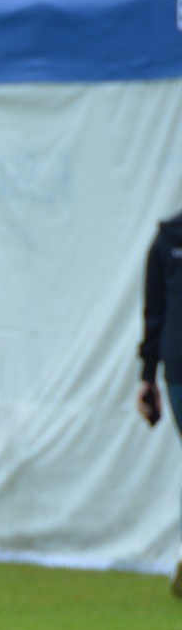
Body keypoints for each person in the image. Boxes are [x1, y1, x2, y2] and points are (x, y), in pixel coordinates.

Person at [137, 207, 182, 597]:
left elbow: (154, 311)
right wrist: (148, 374)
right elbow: (154, 310)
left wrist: (147, 375)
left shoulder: (167, 239)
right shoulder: (167, 239)